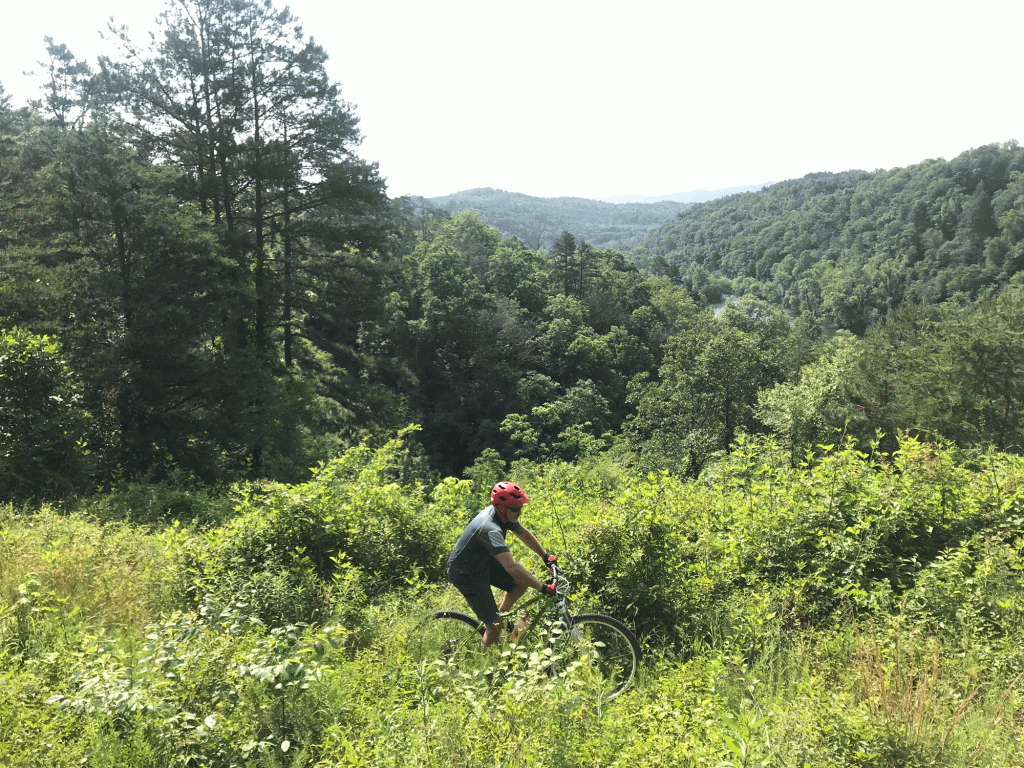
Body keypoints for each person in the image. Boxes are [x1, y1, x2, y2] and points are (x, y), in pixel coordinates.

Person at [446, 481, 558, 648]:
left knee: (520, 583)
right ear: (500, 508)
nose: (519, 512)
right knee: (495, 626)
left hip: (482, 562)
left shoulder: (505, 515)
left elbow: (523, 534)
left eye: (521, 507)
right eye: (515, 508)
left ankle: (500, 620)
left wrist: (545, 556)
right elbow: (511, 567)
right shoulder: (490, 528)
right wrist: (542, 588)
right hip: (466, 573)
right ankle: (488, 665)